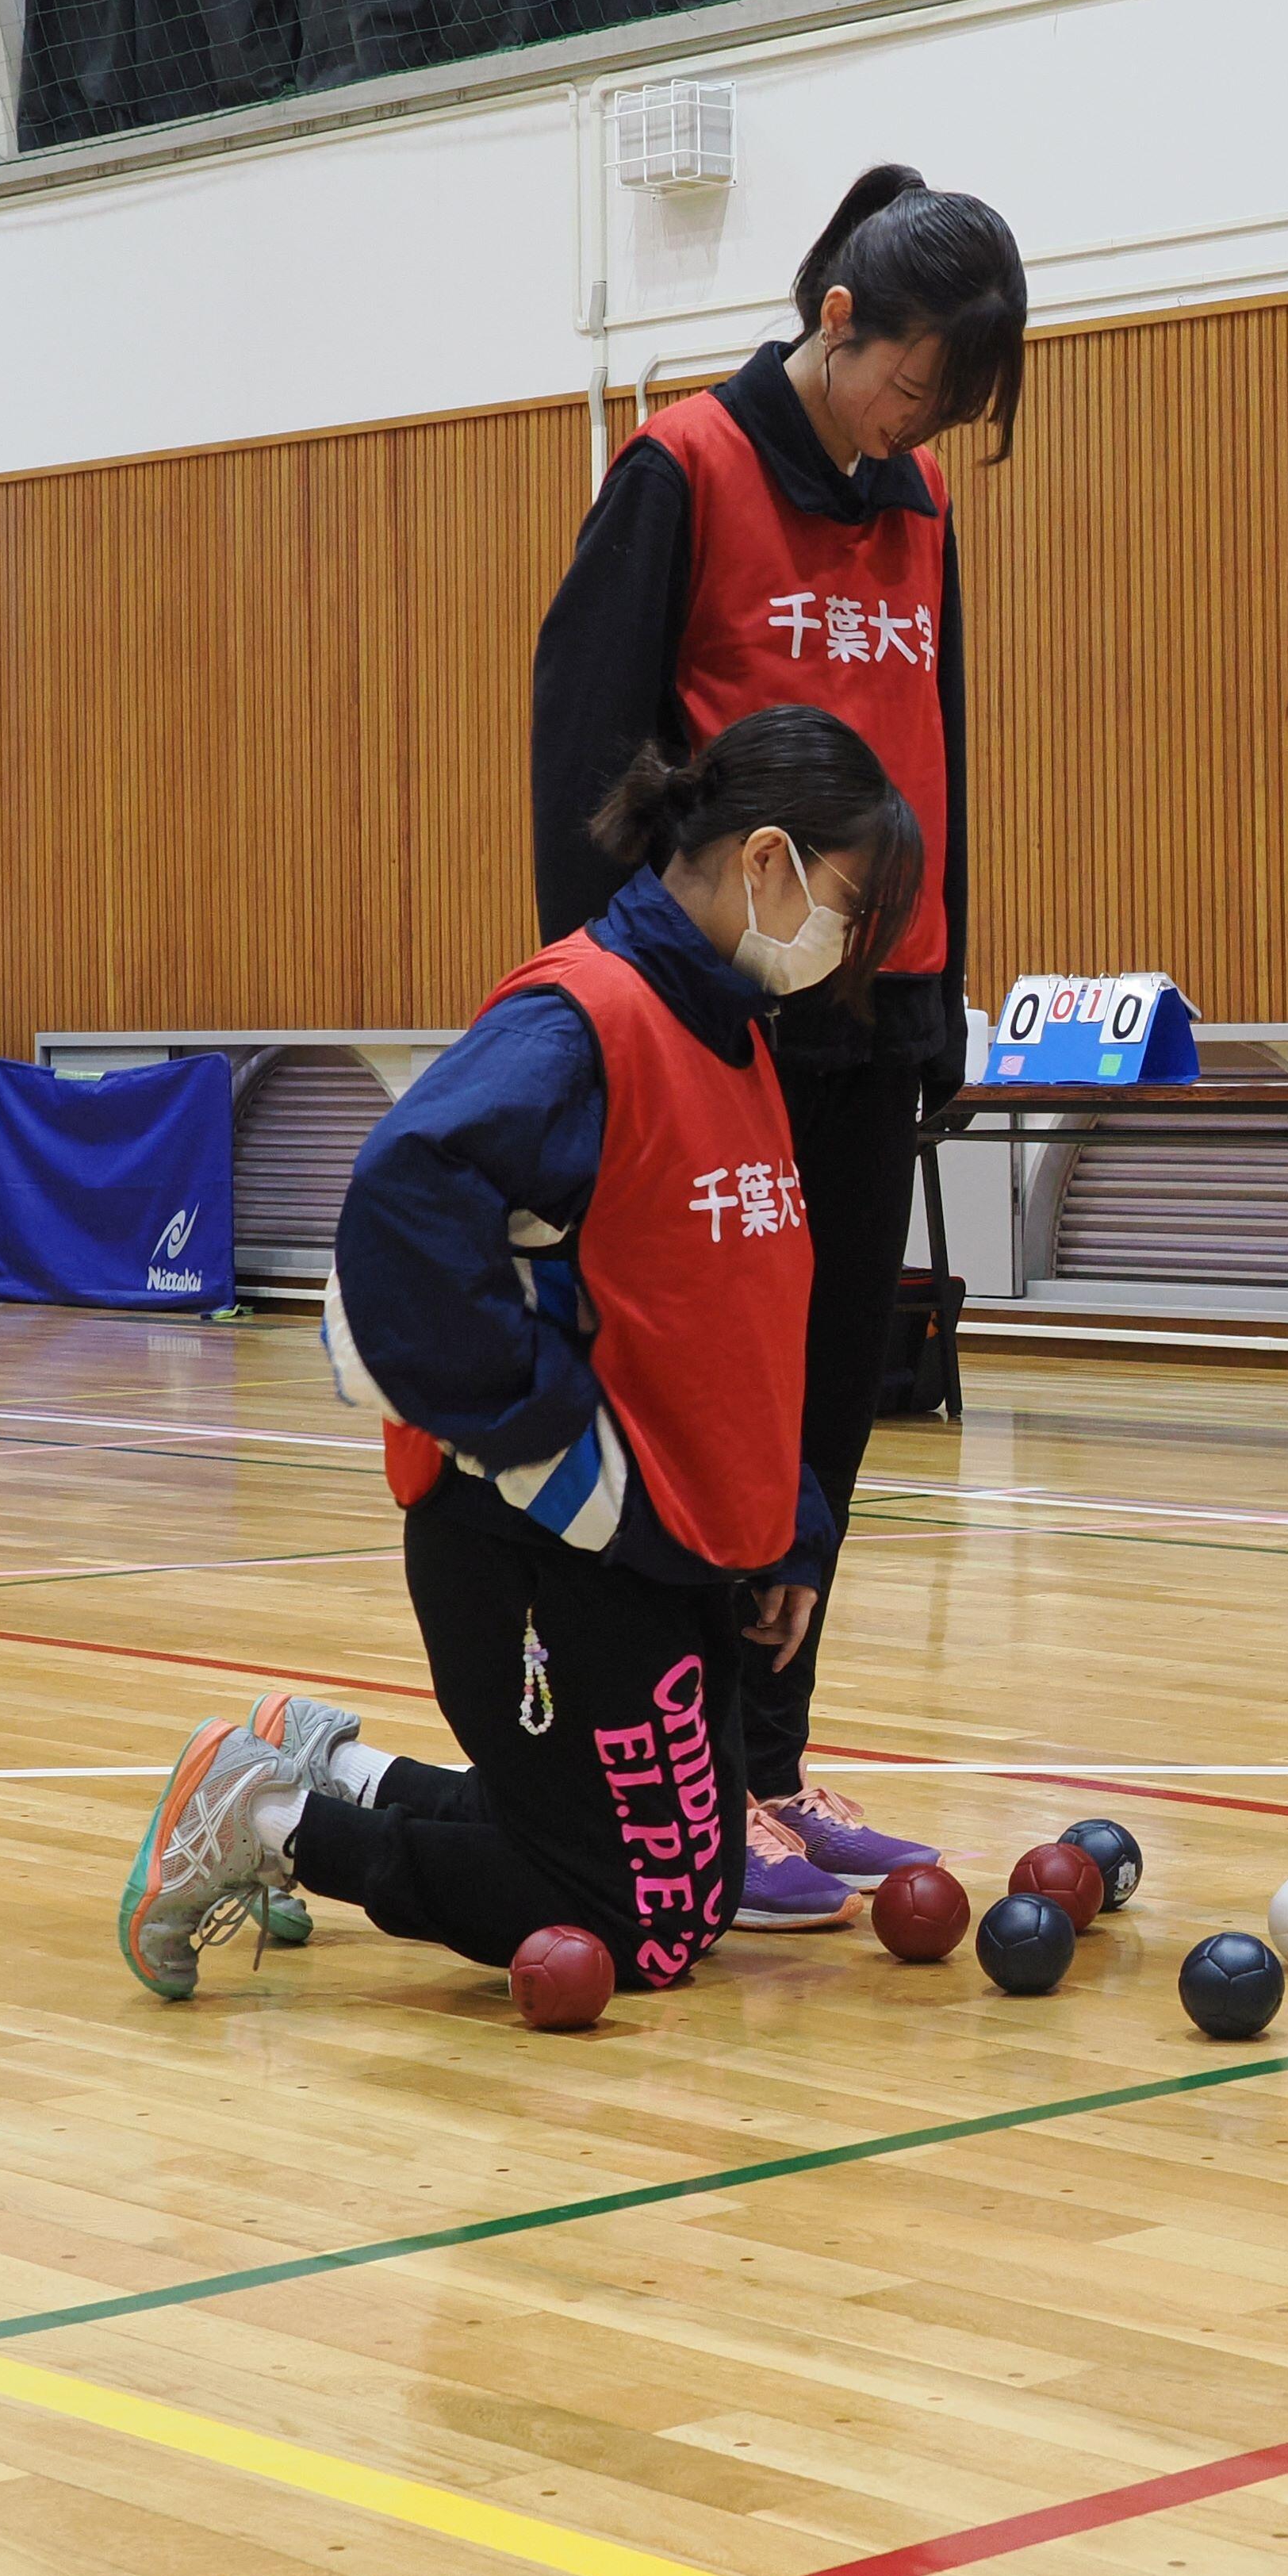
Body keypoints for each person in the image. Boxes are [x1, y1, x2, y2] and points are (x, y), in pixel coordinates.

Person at [113, 708, 924, 1999]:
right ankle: (259, 1825)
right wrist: (535, 1423)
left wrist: (788, 1523)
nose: (847, 941)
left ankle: (320, 1766)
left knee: (690, 1880)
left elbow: (733, 1324)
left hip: (661, 1538)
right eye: (845, 897)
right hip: (535, 1534)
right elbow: (397, 1203)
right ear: (766, 858)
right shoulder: (575, 1027)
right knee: (638, 1921)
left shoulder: (730, 1031)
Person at [529, 162, 1024, 1913]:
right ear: (837, 321)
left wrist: (941, 980)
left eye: (949, 410)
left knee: (824, 1410)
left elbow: (933, 747)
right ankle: (688, 1772)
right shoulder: (683, 470)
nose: (921, 426)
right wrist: (599, 1016)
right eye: (914, 385)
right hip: (714, 1016)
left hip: (871, 1017)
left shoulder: (921, 506)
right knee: (704, 1403)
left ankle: (773, 1767)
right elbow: (582, 744)